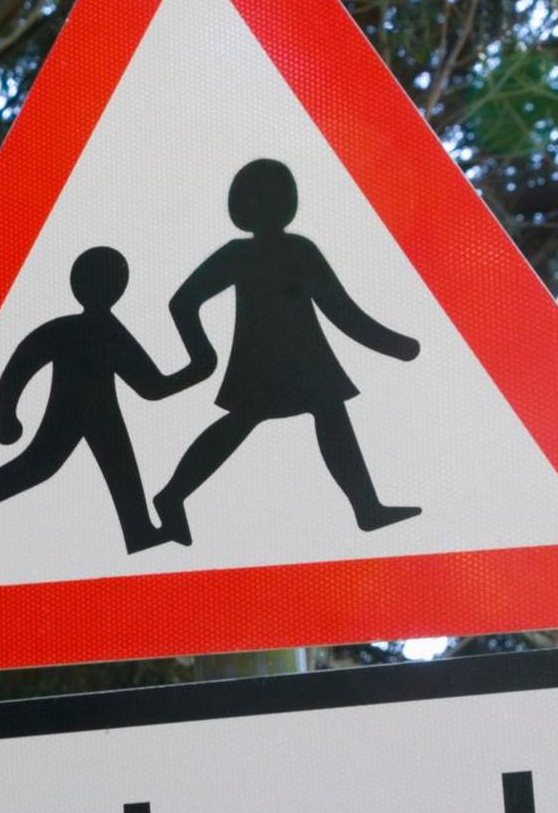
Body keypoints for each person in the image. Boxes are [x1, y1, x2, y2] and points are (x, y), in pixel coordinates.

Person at [152, 158, 423, 545]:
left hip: (294, 359)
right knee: (267, 420)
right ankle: (171, 495)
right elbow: (341, 310)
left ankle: (367, 508)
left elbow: (339, 309)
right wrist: (395, 345)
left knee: (317, 415)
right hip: (281, 360)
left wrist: (201, 355)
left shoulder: (250, 253)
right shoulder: (287, 250)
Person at [0, 246, 214, 552]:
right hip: (77, 413)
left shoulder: (64, 328)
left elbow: (17, 369)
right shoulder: (105, 330)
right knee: (44, 465)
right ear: (119, 287)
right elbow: (152, 387)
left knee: (110, 468)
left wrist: (8, 420)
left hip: (97, 413)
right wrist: (199, 369)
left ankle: (139, 531)